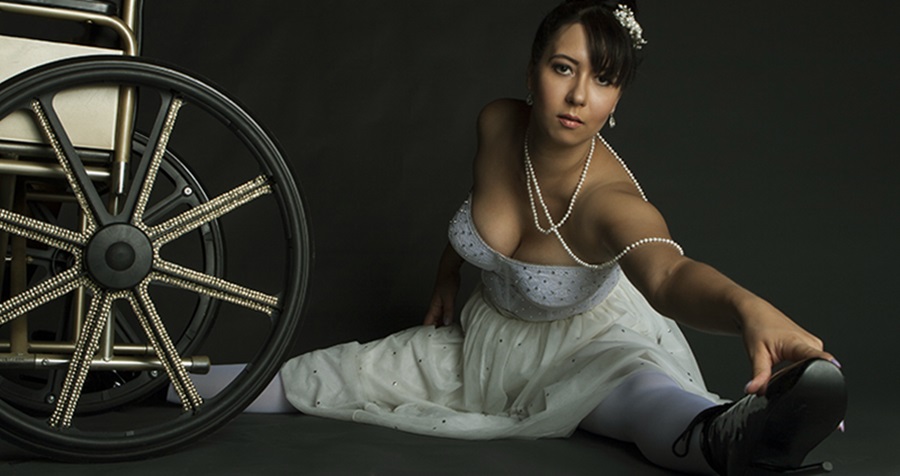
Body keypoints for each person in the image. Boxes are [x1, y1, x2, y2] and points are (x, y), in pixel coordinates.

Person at [175, 1, 847, 474]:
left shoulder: (612, 204)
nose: (580, 95)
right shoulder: (498, 123)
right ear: (531, 72)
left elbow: (670, 277)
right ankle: (134, 372)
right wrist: (446, 274)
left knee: (640, 402)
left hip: (594, 342)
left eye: (604, 80)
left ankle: (736, 437)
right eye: (564, 68)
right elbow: (474, 220)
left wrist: (747, 308)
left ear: (617, 101)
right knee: (319, 378)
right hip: (484, 342)